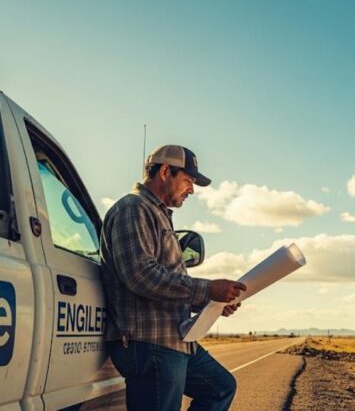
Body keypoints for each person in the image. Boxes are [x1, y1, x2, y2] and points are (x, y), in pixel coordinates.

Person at [101, 145, 248, 411]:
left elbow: (166, 286)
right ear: (166, 172)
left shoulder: (158, 215)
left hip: (175, 341)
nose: (192, 190)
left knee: (220, 388)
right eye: (189, 181)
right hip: (150, 343)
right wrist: (208, 290)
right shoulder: (133, 209)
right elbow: (141, 276)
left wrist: (211, 305)